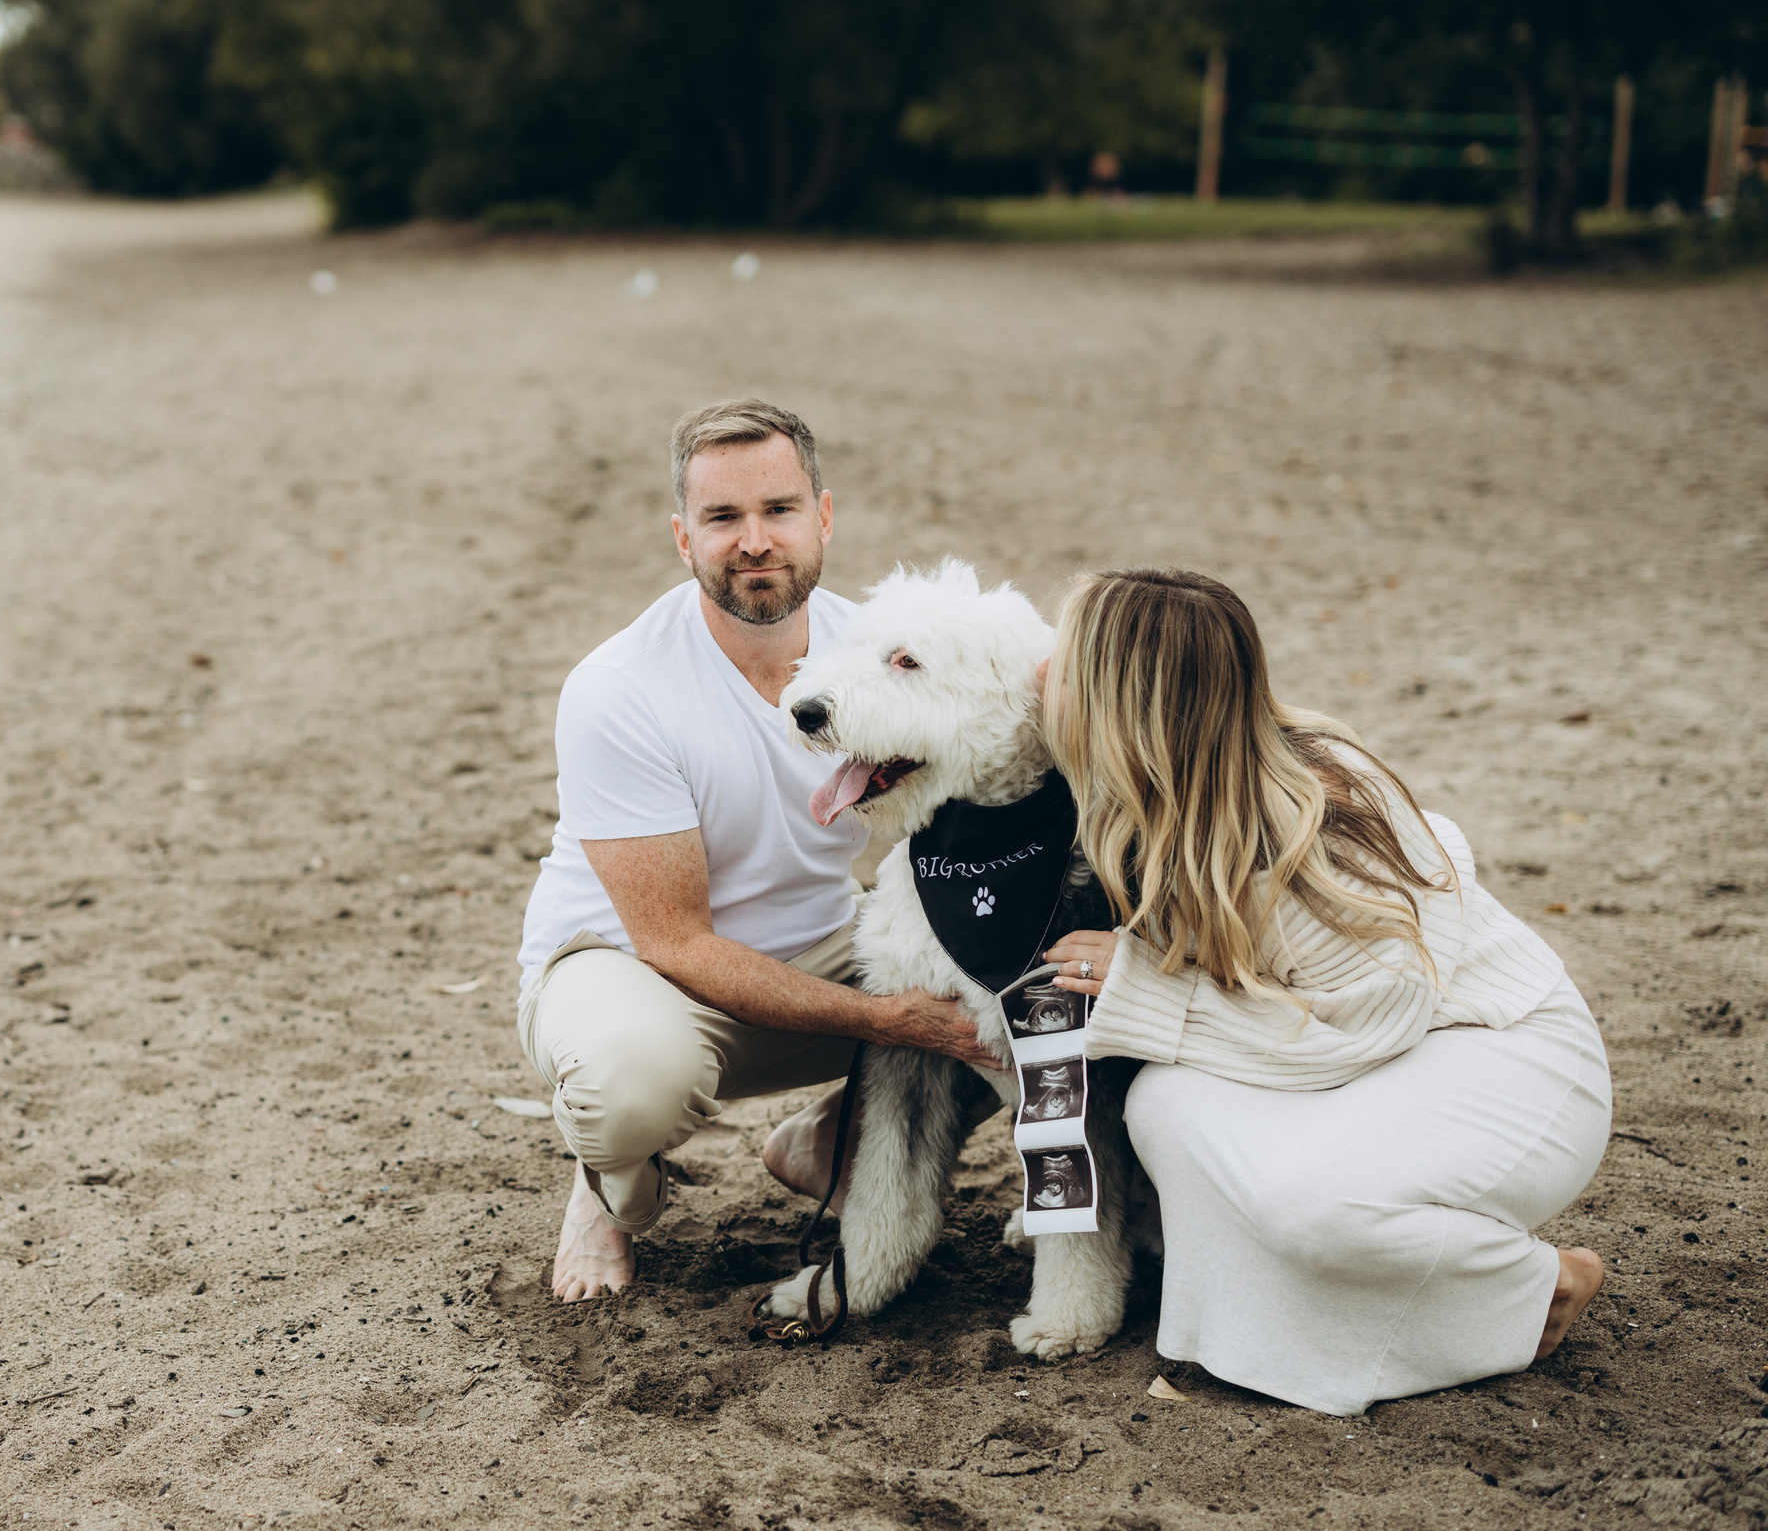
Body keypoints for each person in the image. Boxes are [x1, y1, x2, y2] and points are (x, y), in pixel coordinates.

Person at [1036, 567, 1610, 1417]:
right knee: (1165, 1107)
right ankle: (1246, 1337)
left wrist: (1148, 993)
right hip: (1362, 1056)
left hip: (1502, 1051)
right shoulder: (1151, 798)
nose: (1040, 672)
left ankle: (1530, 1287)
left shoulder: (1317, 814)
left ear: (1123, 705)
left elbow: (1370, 1024)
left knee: (1312, 1206)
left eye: (1064, 662)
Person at [515, 398, 997, 1301]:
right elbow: (676, 942)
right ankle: (608, 1185)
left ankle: (831, 1139)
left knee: (1003, 980)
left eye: (778, 509)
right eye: (722, 517)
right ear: (682, 537)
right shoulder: (619, 687)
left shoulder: (883, 649)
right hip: (633, 971)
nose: (754, 541)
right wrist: (889, 1022)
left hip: (817, 949)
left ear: (823, 515)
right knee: (628, 1089)